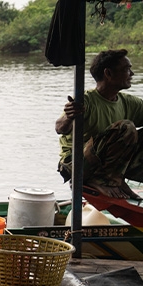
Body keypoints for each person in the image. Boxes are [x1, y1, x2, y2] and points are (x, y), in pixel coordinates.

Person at [56, 49, 143, 200]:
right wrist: (70, 116)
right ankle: (105, 181)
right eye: (126, 69)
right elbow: (60, 128)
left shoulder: (127, 102)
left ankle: (114, 179)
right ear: (108, 74)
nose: (132, 74)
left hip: (105, 164)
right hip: (76, 164)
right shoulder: (86, 100)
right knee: (126, 127)